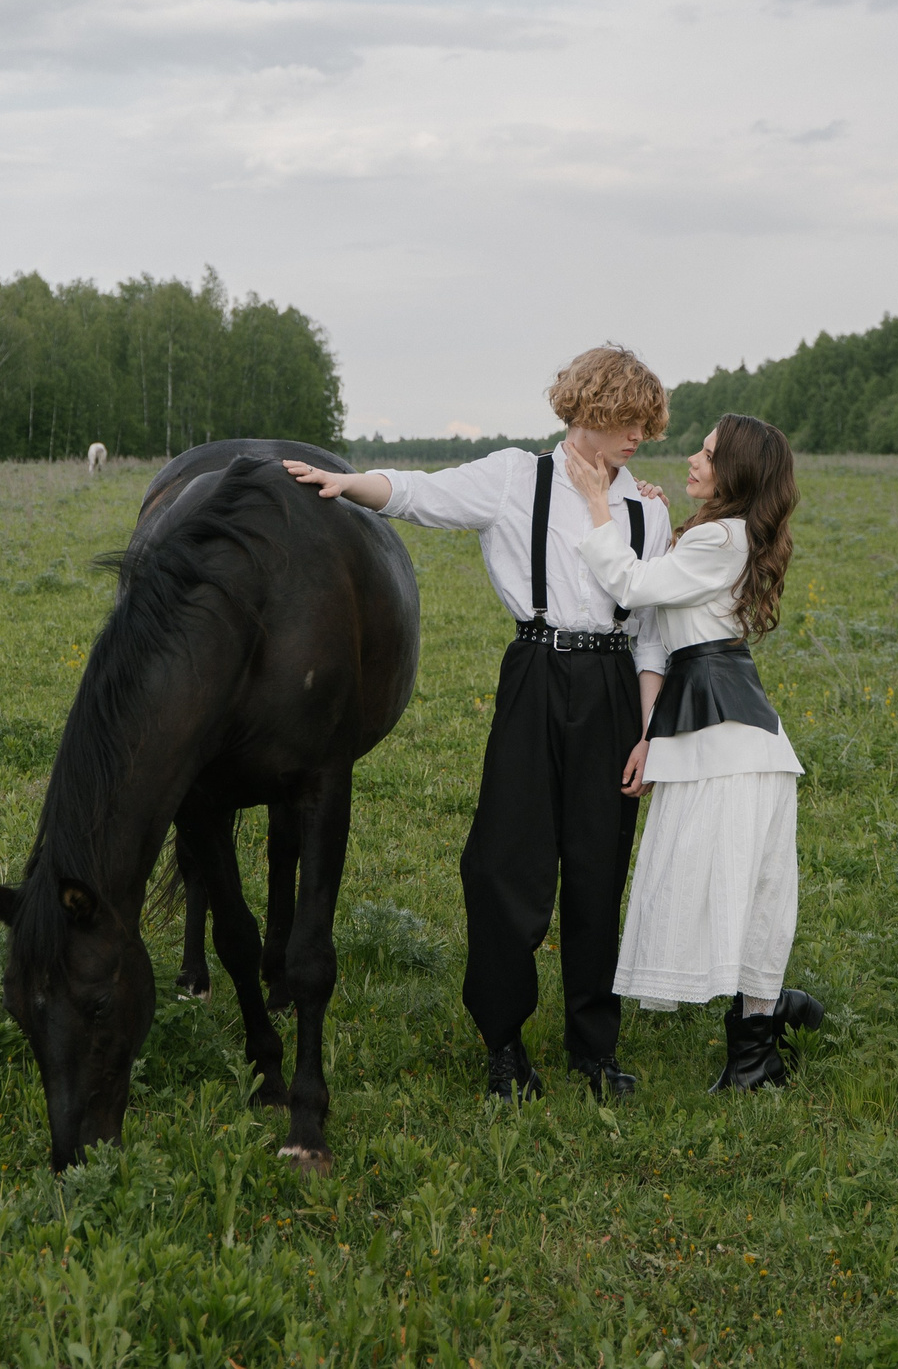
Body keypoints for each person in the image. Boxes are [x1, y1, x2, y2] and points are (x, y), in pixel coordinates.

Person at [285, 346, 672, 1102]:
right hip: (534, 674)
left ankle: (595, 1051)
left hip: (614, 687)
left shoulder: (648, 510)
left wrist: (648, 728)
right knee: (503, 868)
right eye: (628, 421)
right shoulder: (512, 478)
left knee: (599, 872)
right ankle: (504, 1045)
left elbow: (654, 625)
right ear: (589, 412)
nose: (638, 439)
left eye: (646, 427)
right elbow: (418, 492)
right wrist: (344, 483)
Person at [567, 412, 824, 1092]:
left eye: (707, 455)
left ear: (733, 473)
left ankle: (757, 1054)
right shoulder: (714, 536)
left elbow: (633, 587)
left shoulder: (723, 537)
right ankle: (766, 1031)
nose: (691, 459)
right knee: (738, 887)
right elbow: (658, 612)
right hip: (715, 732)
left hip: (732, 742)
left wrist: (598, 504)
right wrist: (650, 735)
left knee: (745, 890)